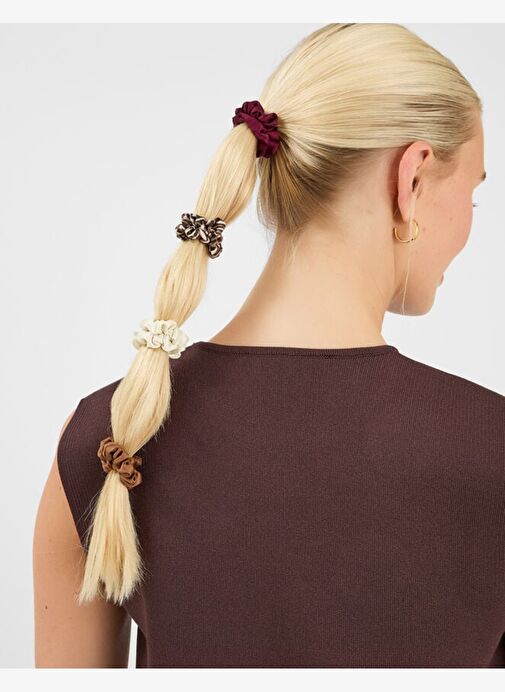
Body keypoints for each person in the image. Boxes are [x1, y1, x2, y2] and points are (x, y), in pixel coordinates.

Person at [33, 22, 504, 668]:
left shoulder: (111, 440)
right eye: (474, 191)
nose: (472, 222)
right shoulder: (491, 444)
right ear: (412, 177)